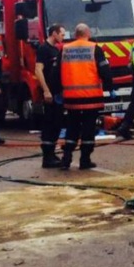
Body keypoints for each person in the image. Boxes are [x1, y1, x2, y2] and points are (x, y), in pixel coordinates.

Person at [59, 23, 113, 170]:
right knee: (88, 130)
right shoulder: (94, 48)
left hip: (71, 98)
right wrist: (110, 87)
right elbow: (105, 71)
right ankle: (85, 160)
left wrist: (58, 91)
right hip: (91, 98)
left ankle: (66, 158)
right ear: (87, 33)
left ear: (75, 34)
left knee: (72, 128)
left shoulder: (65, 49)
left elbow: (56, 73)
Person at [35, 24, 65, 168]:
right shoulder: (44, 49)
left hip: (57, 93)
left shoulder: (55, 50)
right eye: (62, 34)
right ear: (54, 33)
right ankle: (47, 156)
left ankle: (51, 153)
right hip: (50, 93)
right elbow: (38, 70)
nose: (63, 37)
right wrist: (46, 90)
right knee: (50, 123)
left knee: (57, 123)